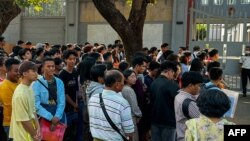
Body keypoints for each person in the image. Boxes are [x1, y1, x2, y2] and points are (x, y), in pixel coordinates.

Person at [88, 70, 134, 141]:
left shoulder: (93, 98)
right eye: (123, 82)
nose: (123, 84)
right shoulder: (122, 103)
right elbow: (129, 131)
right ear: (117, 84)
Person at [9, 61, 41, 141]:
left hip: (31, 134)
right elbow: (24, 121)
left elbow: (33, 111)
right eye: (33, 71)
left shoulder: (29, 88)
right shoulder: (20, 94)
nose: (36, 73)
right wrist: (35, 135)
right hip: (23, 136)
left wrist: (38, 128)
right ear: (25, 74)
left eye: (36, 71)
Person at [32, 58, 66, 130]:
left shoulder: (59, 82)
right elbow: (36, 104)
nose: (51, 68)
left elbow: (62, 101)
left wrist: (57, 116)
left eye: (53, 66)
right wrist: (50, 117)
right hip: (43, 115)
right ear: (43, 68)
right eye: (48, 66)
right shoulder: (37, 83)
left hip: (58, 114)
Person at [150, 61, 180, 141]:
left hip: (154, 120)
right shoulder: (172, 85)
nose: (173, 76)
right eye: (173, 72)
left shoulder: (153, 83)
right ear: (169, 71)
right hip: (168, 122)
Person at [59, 50, 82, 141]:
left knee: (74, 132)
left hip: (74, 107)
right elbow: (64, 93)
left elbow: (76, 89)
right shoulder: (62, 74)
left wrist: (76, 103)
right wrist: (74, 104)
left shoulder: (75, 71)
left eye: (74, 59)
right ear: (65, 60)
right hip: (66, 108)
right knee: (66, 132)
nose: (72, 61)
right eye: (70, 59)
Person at [174, 71, 203, 141]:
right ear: (190, 86)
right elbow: (203, 120)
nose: (200, 88)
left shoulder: (178, 95)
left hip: (181, 135)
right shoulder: (190, 103)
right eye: (199, 85)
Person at [0, 58, 20, 140]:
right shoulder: (4, 87)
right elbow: (12, 107)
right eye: (16, 71)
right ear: (7, 71)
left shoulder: (20, 81)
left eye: (20, 70)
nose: (18, 73)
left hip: (21, 121)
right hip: (11, 124)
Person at [122, 69, 142, 141]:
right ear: (125, 78)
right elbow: (134, 106)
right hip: (131, 117)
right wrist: (139, 114)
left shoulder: (124, 88)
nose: (135, 79)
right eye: (132, 77)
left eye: (135, 77)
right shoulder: (128, 90)